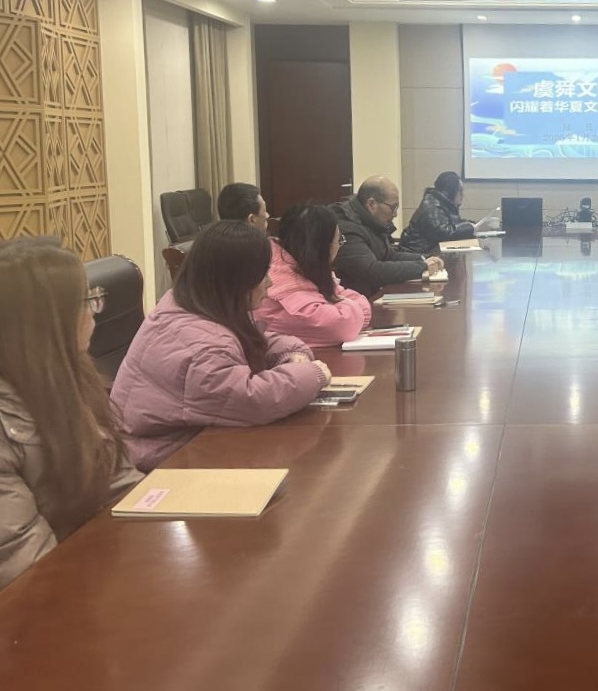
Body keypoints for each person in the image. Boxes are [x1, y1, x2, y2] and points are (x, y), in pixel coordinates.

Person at [111, 221, 331, 471]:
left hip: (194, 442)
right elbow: (252, 401)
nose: (270, 283)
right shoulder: (203, 347)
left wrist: (290, 353)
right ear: (237, 279)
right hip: (166, 462)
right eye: (263, 274)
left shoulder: (194, 303)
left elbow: (253, 339)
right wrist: (313, 375)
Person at [0, 238, 142, 589]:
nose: (95, 310)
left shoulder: (69, 373)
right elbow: (26, 567)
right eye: (85, 300)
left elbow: (117, 482)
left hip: (89, 568)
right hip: (42, 599)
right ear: (43, 322)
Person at [254, 203, 372, 347]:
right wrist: (349, 307)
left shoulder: (298, 264)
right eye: (339, 240)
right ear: (324, 247)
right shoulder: (278, 278)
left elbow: (349, 299)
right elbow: (344, 324)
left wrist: (347, 306)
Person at [331, 176, 444, 296]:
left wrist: (425, 258)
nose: (395, 214)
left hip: (374, 294)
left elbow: (389, 255)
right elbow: (371, 272)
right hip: (358, 300)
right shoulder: (347, 228)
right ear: (371, 204)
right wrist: (422, 266)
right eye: (393, 207)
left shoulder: (372, 222)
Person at [400, 172, 494, 254]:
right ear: (450, 191)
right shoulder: (432, 205)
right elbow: (444, 233)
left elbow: (454, 223)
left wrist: (472, 224)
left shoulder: (442, 202)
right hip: (417, 255)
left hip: (430, 251)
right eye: (460, 191)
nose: (463, 195)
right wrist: (470, 228)